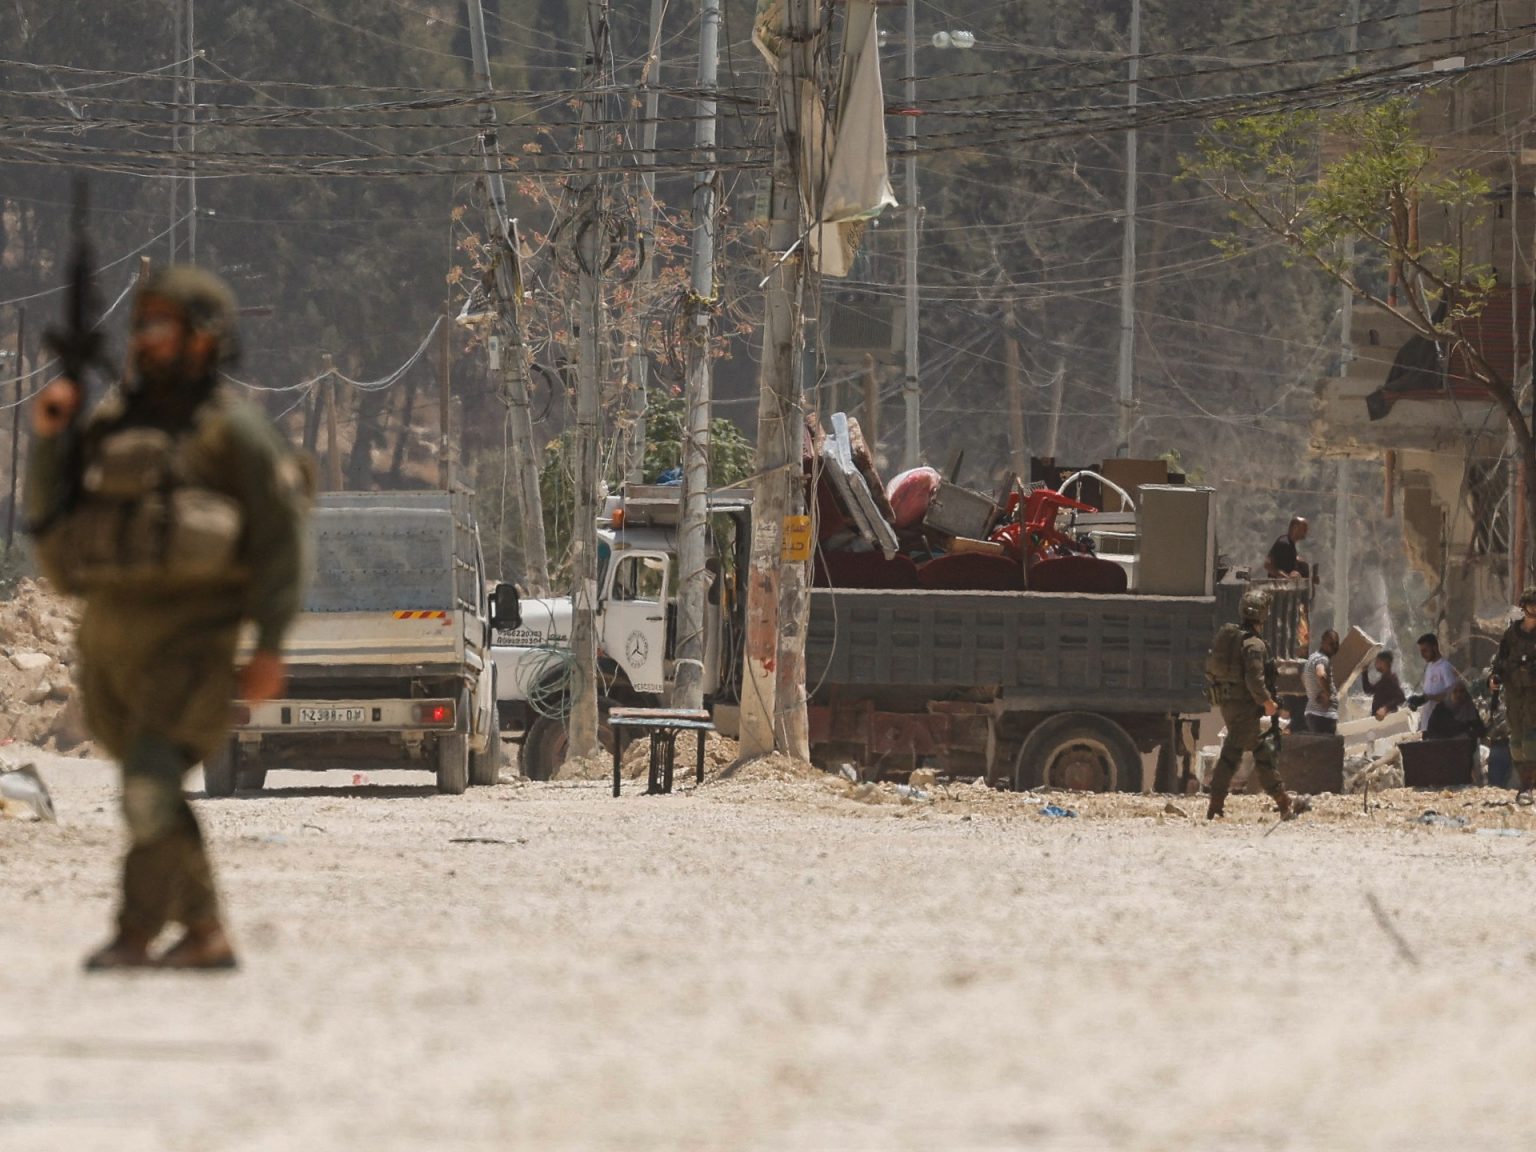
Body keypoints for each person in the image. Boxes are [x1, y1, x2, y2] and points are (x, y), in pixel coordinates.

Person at [26, 266, 309, 971]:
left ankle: (138, 932)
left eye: (160, 326)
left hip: (191, 650)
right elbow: (52, 524)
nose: (143, 340)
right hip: (111, 651)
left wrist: (271, 645)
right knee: (149, 793)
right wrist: (50, 438)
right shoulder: (113, 424)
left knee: (148, 788)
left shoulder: (234, 434)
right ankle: (202, 931)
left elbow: (282, 542)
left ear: (203, 339)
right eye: (140, 325)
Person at [1203, 588, 1311, 821]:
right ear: (1262, 614)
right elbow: (1255, 680)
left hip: (1230, 704)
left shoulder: (1233, 638)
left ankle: (1221, 804)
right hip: (1245, 707)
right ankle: (1281, 802)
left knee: (1250, 752)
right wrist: (1267, 702)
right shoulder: (1253, 645)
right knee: (1247, 755)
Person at [1490, 587, 1536, 805]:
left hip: (1533, 695)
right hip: (1514, 694)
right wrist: (1494, 678)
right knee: (1516, 743)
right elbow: (1500, 660)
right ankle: (1525, 783)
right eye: (1531, 606)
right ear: (1524, 607)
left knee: (1531, 741)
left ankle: (1527, 787)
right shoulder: (1512, 634)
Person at [1407, 633, 1458, 736]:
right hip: (1427, 725)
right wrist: (1418, 701)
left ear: (1434, 647)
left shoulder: (1445, 667)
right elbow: (1429, 695)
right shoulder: (1429, 667)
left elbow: (1454, 696)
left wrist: (1429, 698)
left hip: (1441, 725)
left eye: (1425, 650)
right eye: (1421, 651)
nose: (1422, 655)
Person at [1303, 629, 1340, 734]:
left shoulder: (1313, 657)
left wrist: (1314, 691)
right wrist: (1328, 695)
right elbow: (1321, 674)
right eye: (1331, 643)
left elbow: (1303, 677)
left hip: (1314, 714)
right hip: (1324, 716)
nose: (1335, 646)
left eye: (1336, 643)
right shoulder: (1322, 659)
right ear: (1323, 643)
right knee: (1327, 744)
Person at [1360, 650, 1407, 720]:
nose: (1375, 664)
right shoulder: (1383, 680)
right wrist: (1364, 672)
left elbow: (1401, 698)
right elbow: (1368, 690)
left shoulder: (1391, 679)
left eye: (1377, 661)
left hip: (1387, 719)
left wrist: (1386, 708)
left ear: (1384, 663)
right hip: (1379, 719)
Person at [1263, 515, 1311, 580]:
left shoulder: (1291, 545)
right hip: (1278, 585)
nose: (1306, 532)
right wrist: (1286, 577)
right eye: (1304, 529)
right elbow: (1267, 565)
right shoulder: (1284, 543)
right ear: (1295, 528)